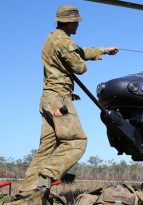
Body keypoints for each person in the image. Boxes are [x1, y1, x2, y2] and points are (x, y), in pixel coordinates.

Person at [17, 4, 119, 199]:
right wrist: (82, 62)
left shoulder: (52, 38)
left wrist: (104, 50)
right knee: (76, 141)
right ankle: (46, 176)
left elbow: (79, 51)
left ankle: (27, 192)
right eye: (76, 23)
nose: (77, 26)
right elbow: (79, 66)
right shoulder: (64, 42)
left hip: (47, 99)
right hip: (59, 99)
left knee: (47, 147)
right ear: (69, 22)